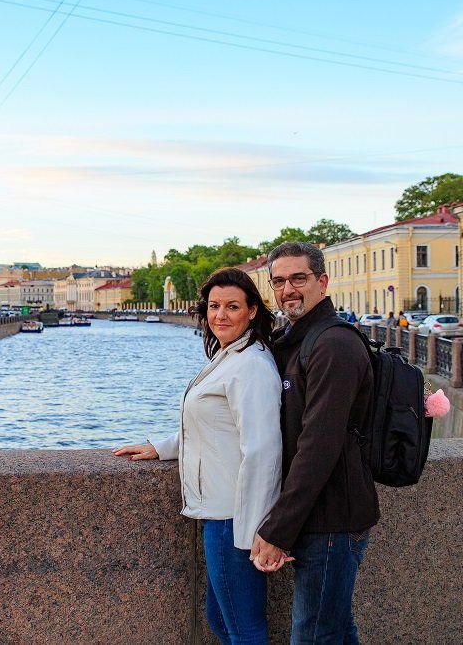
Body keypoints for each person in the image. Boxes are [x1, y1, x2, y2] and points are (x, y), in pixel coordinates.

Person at [114, 267, 282, 644]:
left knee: (243, 629)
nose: (220, 315)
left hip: (234, 519)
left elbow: (263, 450)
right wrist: (163, 446)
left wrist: (260, 530)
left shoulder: (250, 366)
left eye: (232, 306)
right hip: (220, 514)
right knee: (223, 621)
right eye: (214, 306)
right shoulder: (232, 356)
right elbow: (213, 427)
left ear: (252, 310)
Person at [250, 242, 379, 644]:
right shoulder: (294, 340)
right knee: (336, 630)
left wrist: (277, 529)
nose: (288, 289)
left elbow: (318, 446)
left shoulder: (333, 345)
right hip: (319, 516)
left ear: (322, 282)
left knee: (314, 636)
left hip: (333, 519)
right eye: (279, 281)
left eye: (299, 279)